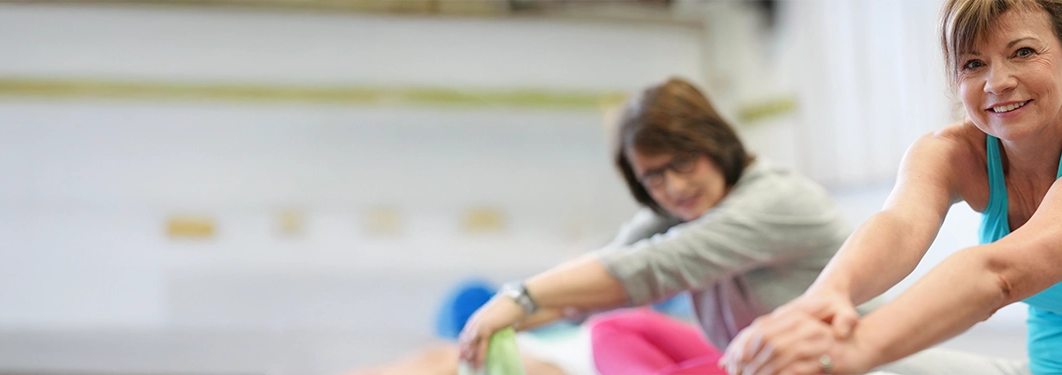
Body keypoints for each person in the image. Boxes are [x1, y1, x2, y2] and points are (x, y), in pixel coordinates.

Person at [720, 1, 1062, 374]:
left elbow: (997, 275)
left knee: (850, 355)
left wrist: (849, 349)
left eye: (1022, 52)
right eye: (974, 63)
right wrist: (821, 304)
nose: (997, 82)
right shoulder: (950, 152)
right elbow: (899, 226)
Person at [362, 77, 852, 375]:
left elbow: (649, 267)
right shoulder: (684, 207)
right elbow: (602, 275)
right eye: (653, 176)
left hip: (831, 361)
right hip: (760, 359)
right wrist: (503, 322)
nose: (674, 186)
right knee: (613, 325)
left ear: (714, 143)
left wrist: (517, 299)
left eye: (683, 162)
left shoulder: (774, 202)